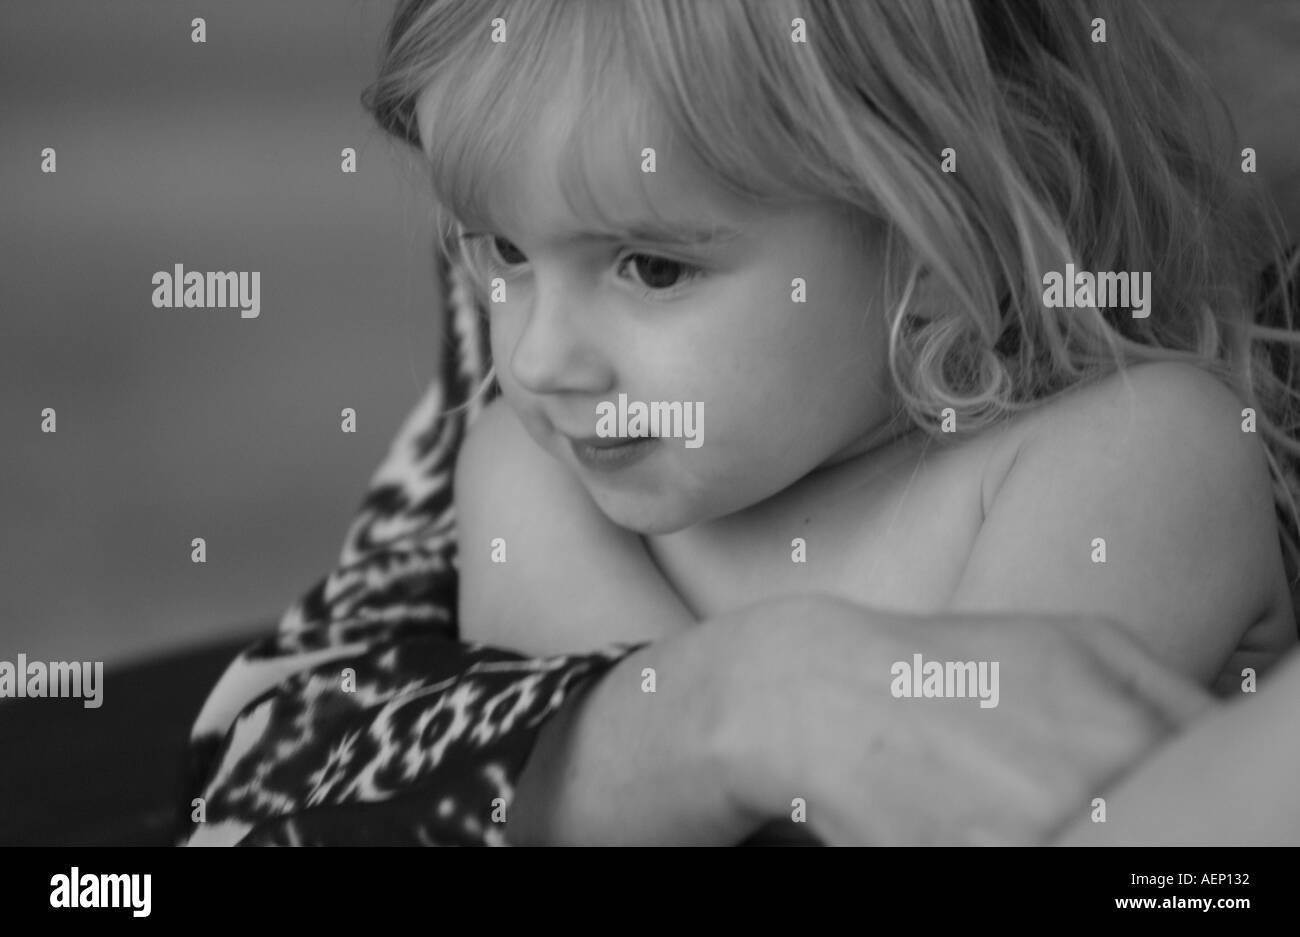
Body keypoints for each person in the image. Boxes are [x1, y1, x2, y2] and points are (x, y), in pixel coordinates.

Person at [176, 0, 1300, 846]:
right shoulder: (531, 477)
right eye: (502, 253)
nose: (536, 358)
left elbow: (983, 809)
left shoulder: (1136, 455)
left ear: (939, 258)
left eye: (653, 266)